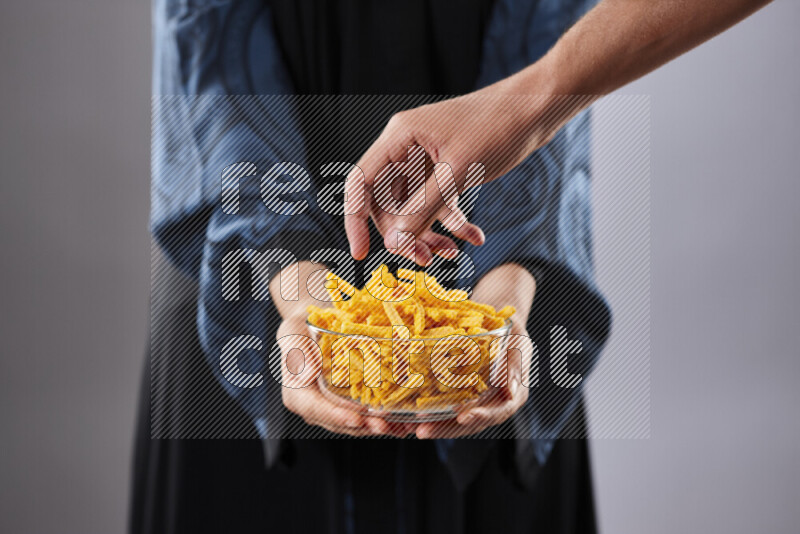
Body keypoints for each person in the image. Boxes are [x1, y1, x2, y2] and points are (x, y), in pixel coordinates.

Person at [132, 1, 771, 533]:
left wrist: (509, 277)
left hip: (504, 300)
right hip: (243, 282)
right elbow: (203, 36)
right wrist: (290, 280)